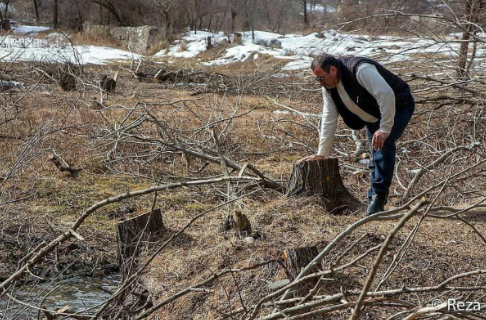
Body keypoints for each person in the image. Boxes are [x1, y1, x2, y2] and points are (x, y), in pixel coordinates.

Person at [299, 54, 414, 215]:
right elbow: (329, 117)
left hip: (399, 106)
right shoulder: (328, 88)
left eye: (321, 78)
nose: (320, 82)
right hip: (374, 117)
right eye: (317, 79)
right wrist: (322, 153)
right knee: (376, 153)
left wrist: (385, 128)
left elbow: (385, 94)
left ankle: (378, 200)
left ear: (332, 70)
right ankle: (373, 199)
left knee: (383, 145)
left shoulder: (360, 69)